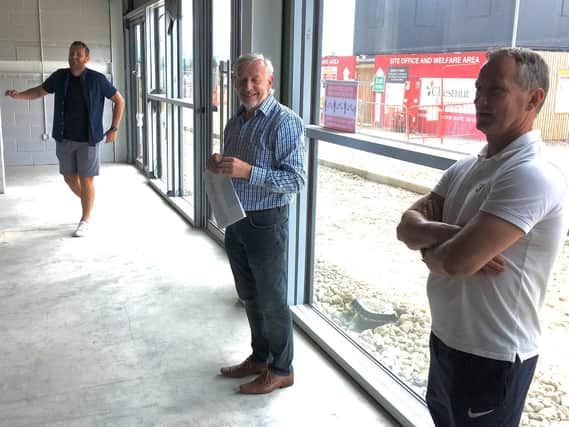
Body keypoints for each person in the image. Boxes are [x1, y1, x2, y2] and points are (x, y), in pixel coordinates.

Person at [396, 47, 568, 426]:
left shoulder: (532, 175)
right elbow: (406, 227)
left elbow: (456, 262)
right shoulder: (465, 167)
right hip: (446, 339)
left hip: (493, 356)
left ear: (534, 99)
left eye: (496, 90)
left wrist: (435, 247)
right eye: (478, 89)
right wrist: (452, 236)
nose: (480, 100)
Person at [207, 53, 305, 394]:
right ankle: (260, 357)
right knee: (249, 295)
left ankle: (282, 369)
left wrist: (248, 171)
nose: (247, 86)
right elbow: (232, 168)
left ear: (270, 82)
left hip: (266, 222)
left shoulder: (284, 122)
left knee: (272, 298)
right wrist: (219, 164)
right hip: (236, 217)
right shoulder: (235, 122)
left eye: (254, 80)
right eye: (241, 80)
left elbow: (295, 181)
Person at [5, 41, 125, 237]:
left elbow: (120, 101)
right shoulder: (60, 77)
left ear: (87, 58)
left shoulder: (97, 79)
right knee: (69, 178)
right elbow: (39, 91)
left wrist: (114, 128)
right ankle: (89, 201)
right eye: (71, 53)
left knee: (86, 180)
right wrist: (19, 96)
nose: (74, 57)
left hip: (88, 140)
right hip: (64, 138)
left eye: (78, 54)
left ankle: (85, 219)